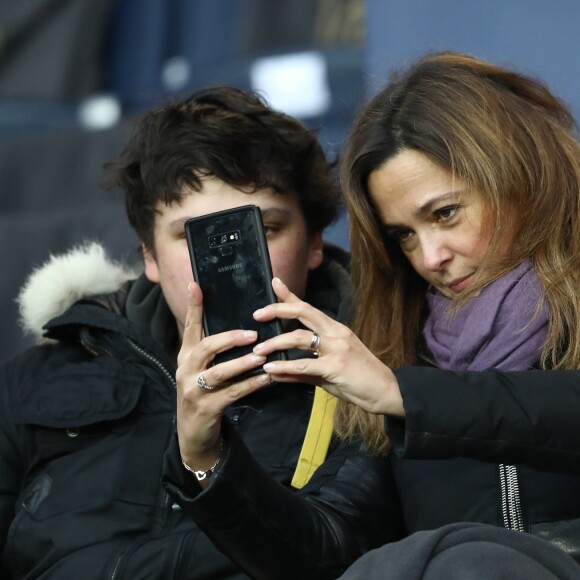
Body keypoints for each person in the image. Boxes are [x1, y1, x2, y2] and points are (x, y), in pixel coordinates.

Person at [162, 52, 580, 579]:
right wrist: (207, 458)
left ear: (522, 177)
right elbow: (326, 553)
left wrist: (405, 396)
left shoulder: (396, 386)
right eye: (403, 235)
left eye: (445, 213)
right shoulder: (401, 345)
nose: (430, 258)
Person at [0, 87, 404, 579]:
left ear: (315, 244)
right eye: (194, 237)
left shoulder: (378, 377)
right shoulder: (37, 376)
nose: (223, 266)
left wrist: (208, 461)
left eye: (263, 231)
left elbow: (336, 556)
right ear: (148, 255)